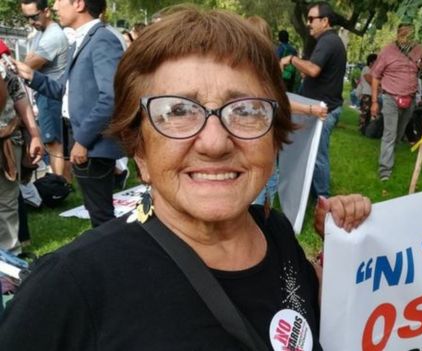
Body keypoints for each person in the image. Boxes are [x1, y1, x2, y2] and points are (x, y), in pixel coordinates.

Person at [0, 7, 371, 349]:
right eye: (177, 110)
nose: (214, 142)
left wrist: (348, 259)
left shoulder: (276, 233)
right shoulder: (71, 290)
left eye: (245, 110)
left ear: (274, 139)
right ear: (139, 148)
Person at [12, 0, 125, 228]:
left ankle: (111, 259)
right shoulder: (79, 41)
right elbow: (62, 91)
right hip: (84, 140)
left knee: (102, 217)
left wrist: (82, 141)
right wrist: (31, 76)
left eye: (60, 0)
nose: (55, 5)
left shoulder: (102, 39)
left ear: (79, 4)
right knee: (97, 212)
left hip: (94, 143)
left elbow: (111, 97)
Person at [245, 16, 327, 206]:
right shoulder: (261, 70)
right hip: (261, 140)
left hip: (252, 138)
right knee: (262, 185)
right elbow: (278, 101)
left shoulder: (238, 67)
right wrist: (310, 109)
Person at [279, 1, 347, 198]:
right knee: (312, 154)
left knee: (318, 157)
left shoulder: (327, 41)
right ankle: (310, 193)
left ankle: (323, 199)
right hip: (322, 107)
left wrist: (291, 59)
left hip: (324, 110)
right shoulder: (330, 40)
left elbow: (313, 69)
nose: (308, 23)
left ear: (325, 21)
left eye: (311, 19)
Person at [370, 22, 422, 181]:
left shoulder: (420, 50)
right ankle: (385, 171)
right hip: (390, 97)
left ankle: (389, 158)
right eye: (403, 35)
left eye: (409, 35)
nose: (406, 38)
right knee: (390, 134)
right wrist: (374, 102)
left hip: (410, 99)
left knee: (398, 134)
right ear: (397, 35)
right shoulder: (388, 51)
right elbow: (375, 76)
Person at [20, 0, 70, 182]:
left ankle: (58, 184)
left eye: (34, 16)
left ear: (46, 11)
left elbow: (28, 65)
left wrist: (28, 62)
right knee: (58, 143)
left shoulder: (52, 36)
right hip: (46, 92)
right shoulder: (40, 34)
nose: (31, 21)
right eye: (27, 18)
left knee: (53, 143)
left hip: (50, 94)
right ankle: (65, 182)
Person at [0, 64, 44, 254]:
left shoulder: (4, 69)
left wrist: (34, 135)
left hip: (7, 140)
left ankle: (9, 257)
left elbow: (20, 98)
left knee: (6, 201)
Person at [357, 53, 377, 134]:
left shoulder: (374, 71)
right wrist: (378, 85)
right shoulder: (366, 69)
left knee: (369, 113)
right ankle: (361, 127)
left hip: (371, 94)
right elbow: (370, 80)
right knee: (364, 111)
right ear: (371, 62)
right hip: (366, 93)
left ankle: (366, 128)